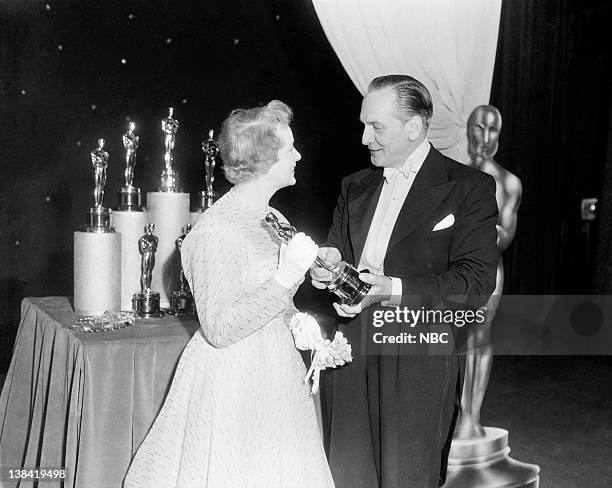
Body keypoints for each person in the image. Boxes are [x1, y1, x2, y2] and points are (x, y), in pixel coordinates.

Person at [124, 100, 335, 488]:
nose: (298, 155)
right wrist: (286, 279)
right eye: (289, 148)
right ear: (263, 158)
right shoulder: (215, 230)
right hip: (233, 380)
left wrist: (296, 320)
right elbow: (220, 328)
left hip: (274, 373)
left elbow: (270, 300)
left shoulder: (274, 219)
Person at [311, 75, 499, 488]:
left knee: (406, 478)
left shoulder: (468, 188)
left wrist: (391, 289)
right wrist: (326, 272)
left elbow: (475, 282)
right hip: (350, 353)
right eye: (364, 124)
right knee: (347, 475)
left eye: (376, 127)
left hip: (418, 356)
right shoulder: (353, 186)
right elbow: (338, 255)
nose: (364, 138)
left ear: (413, 128)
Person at [454, 105, 522, 440]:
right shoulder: (455, 176)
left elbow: (505, 235)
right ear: (468, 132)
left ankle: (470, 418)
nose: (484, 137)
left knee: (479, 338)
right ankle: (453, 415)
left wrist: (473, 229)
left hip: (488, 270)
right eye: (478, 128)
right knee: (452, 340)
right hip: (455, 269)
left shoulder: (509, 183)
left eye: (492, 129)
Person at [138, 223, 158, 293]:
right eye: (150, 227)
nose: (151, 229)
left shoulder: (155, 238)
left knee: (150, 271)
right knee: (145, 271)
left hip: (152, 255)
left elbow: (155, 248)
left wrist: (151, 246)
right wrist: (150, 246)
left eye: (152, 227)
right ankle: (144, 288)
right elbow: (143, 249)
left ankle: (148, 287)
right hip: (146, 255)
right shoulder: (143, 238)